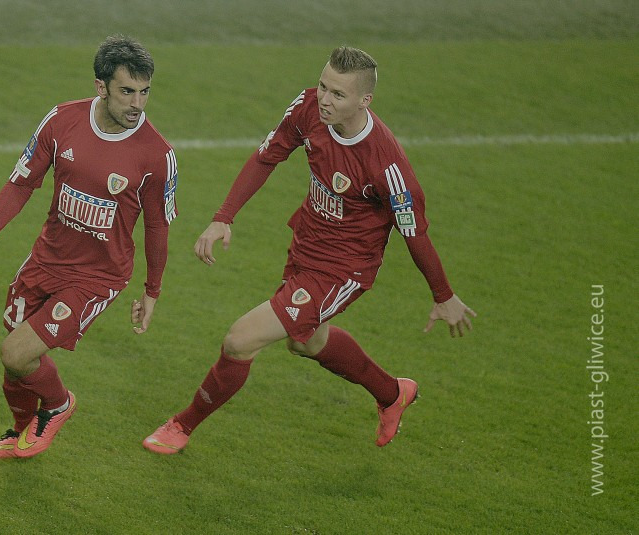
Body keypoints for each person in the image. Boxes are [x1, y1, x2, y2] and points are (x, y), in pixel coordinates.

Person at [143, 46, 475, 455]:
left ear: (365, 100)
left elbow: (415, 234)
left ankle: (181, 425)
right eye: (323, 86)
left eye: (338, 94)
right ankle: (393, 394)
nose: (325, 99)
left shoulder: (386, 166)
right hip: (306, 244)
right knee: (306, 342)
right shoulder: (308, 108)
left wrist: (443, 295)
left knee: (240, 340)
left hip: (342, 269)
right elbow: (267, 157)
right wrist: (223, 216)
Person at [0, 34, 178, 459]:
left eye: (145, 92)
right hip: (45, 260)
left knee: (15, 353)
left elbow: (157, 228)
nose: (137, 104)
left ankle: (58, 405)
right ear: (101, 86)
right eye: (127, 91)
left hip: (97, 277)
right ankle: (19, 432)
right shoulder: (62, 120)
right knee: (18, 361)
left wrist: (152, 290)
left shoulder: (156, 155)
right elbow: (23, 181)